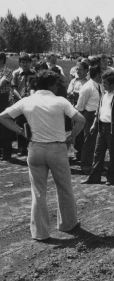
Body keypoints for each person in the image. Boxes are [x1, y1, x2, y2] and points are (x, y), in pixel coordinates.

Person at [0, 70, 85, 241]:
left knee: (38, 192)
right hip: (57, 148)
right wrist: (71, 137)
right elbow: (81, 120)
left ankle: (40, 232)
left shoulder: (26, 101)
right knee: (64, 189)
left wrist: (21, 132)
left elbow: (3, 117)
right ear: (52, 85)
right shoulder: (60, 101)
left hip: (35, 148)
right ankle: (68, 224)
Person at [82, 71, 114, 185]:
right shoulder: (104, 94)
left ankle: (112, 178)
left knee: (113, 154)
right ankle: (94, 177)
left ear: (112, 84)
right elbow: (99, 109)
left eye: (105, 83)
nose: (103, 84)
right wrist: (94, 124)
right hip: (101, 127)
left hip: (113, 129)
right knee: (98, 153)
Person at [74, 65, 102, 172]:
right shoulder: (87, 88)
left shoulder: (99, 86)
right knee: (89, 141)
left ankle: (96, 164)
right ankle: (86, 165)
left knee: (98, 142)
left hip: (100, 115)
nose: (102, 77)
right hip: (89, 115)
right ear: (96, 75)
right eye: (100, 75)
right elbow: (80, 106)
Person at [11, 54, 38, 156]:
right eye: (23, 62)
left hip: (31, 102)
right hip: (19, 102)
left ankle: (29, 145)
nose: (25, 64)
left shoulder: (34, 73)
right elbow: (13, 89)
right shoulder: (16, 73)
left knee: (30, 123)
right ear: (20, 63)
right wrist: (21, 99)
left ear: (30, 63)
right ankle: (21, 147)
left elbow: (35, 87)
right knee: (19, 123)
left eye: (27, 62)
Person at [0, 53, 14, 160]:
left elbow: (1, 84)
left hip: (2, 100)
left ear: (3, 60)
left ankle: (7, 151)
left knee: (4, 126)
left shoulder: (7, 71)